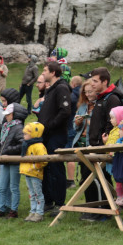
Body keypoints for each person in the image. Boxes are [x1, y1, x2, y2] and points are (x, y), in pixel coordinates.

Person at [79, 67, 122, 221]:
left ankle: (99, 210)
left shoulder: (112, 99)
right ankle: (95, 208)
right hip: (94, 146)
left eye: (96, 81)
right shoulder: (100, 98)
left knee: (96, 179)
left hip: (102, 148)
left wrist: (106, 140)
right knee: (89, 178)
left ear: (105, 82)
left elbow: (114, 123)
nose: (92, 84)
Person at [36, 62, 73, 213]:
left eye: (45, 70)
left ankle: (59, 202)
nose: (43, 73)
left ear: (53, 73)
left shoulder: (61, 88)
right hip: (46, 135)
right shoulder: (50, 89)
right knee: (46, 167)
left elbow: (65, 111)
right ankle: (48, 201)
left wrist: (49, 124)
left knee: (56, 167)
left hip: (56, 135)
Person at [0, 103, 29, 219]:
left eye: (8, 114)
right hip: (4, 161)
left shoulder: (18, 128)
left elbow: (23, 143)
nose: (6, 116)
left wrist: (8, 150)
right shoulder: (6, 127)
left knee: (14, 187)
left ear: (14, 115)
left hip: (13, 161)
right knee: (2, 187)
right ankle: (0, 209)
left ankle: (14, 210)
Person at [20, 122, 48, 222]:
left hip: (35, 174)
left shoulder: (39, 146)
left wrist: (35, 167)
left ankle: (39, 213)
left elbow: (44, 160)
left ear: (33, 134)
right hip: (28, 173)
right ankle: (33, 211)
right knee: (31, 194)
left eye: (26, 134)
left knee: (37, 194)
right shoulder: (27, 145)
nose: (24, 136)